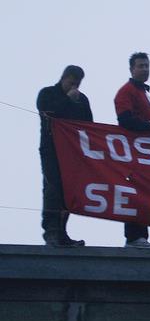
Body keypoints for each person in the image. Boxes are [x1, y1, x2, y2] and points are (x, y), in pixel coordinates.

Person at [36, 65, 93, 247]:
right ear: (64, 78)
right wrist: (68, 101)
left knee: (69, 191)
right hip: (51, 150)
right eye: (71, 82)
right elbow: (49, 113)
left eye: (77, 84)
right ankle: (51, 231)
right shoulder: (47, 94)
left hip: (72, 152)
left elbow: (90, 125)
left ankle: (62, 232)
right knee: (53, 188)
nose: (74, 87)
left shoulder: (82, 100)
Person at [114, 52, 150, 248]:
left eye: (147, 66)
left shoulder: (144, 93)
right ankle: (134, 237)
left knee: (145, 193)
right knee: (135, 193)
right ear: (131, 69)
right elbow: (125, 119)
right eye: (141, 66)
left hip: (146, 155)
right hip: (134, 153)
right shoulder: (126, 92)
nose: (145, 69)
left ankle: (141, 236)